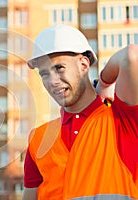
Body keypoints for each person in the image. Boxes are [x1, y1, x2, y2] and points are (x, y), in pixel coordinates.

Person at [23, 24, 138, 199]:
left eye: (59, 68)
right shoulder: (38, 139)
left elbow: (132, 55)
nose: (52, 81)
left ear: (84, 65)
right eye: (44, 74)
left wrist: (105, 83)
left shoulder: (122, 121)